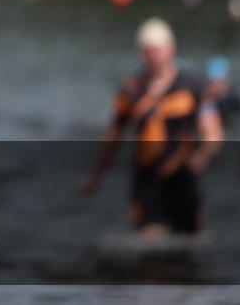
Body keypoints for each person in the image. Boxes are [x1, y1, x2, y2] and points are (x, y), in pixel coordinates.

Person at [80, 18, 223, 238]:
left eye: (157, 50)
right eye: (147, 51)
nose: (153, 57)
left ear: (171, 49)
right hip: (147, 181)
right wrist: (97, 175)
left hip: (183, 178)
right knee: (150, 251)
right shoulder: (131, 90)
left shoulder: (193, 85)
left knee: (187, 248)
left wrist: (204, 155)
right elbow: (114, 134)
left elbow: (212, 129)